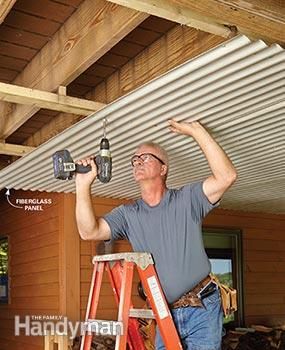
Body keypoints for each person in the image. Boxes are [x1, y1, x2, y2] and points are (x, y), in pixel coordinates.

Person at [75, 119, 237, 350]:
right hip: (164, 311)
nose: (137, 162)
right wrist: (82, 185)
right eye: (135, 159)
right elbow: (87, 231)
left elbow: (226, 176)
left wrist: (196, 131)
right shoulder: (128, 214)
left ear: (163, 169)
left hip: (201, 305)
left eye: (146, 157)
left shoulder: (187, 200)